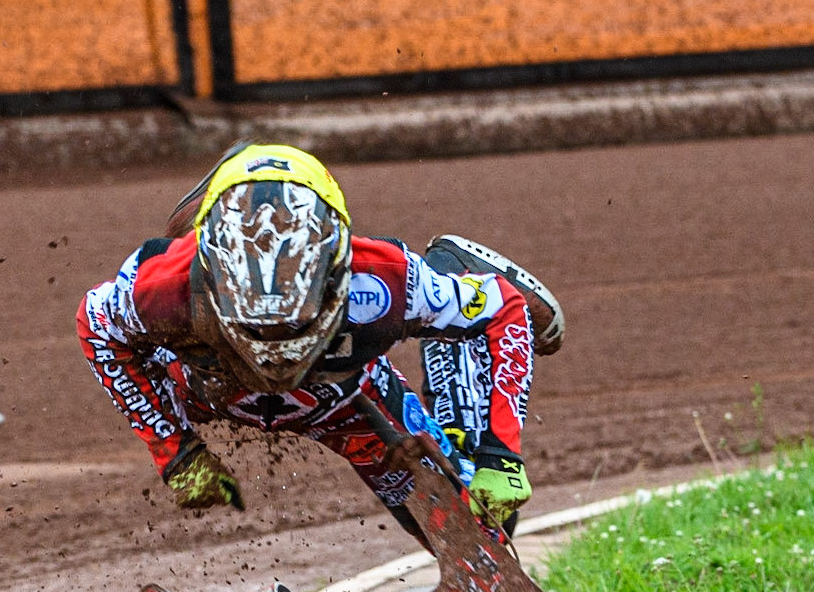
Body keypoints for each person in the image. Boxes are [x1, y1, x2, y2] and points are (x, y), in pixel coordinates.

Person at [79, 143, 566, 540]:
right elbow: (96, 326)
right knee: (157, 283)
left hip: (346, 398)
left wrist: (500, 453)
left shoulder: (383, 282)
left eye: (290, 328)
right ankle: (206, 207)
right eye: (257, 330)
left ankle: (451, 279)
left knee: (484, 531)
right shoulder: (159, 290)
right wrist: (176, 449)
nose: (273, 355)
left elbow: (504, 305)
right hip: (204, 387)